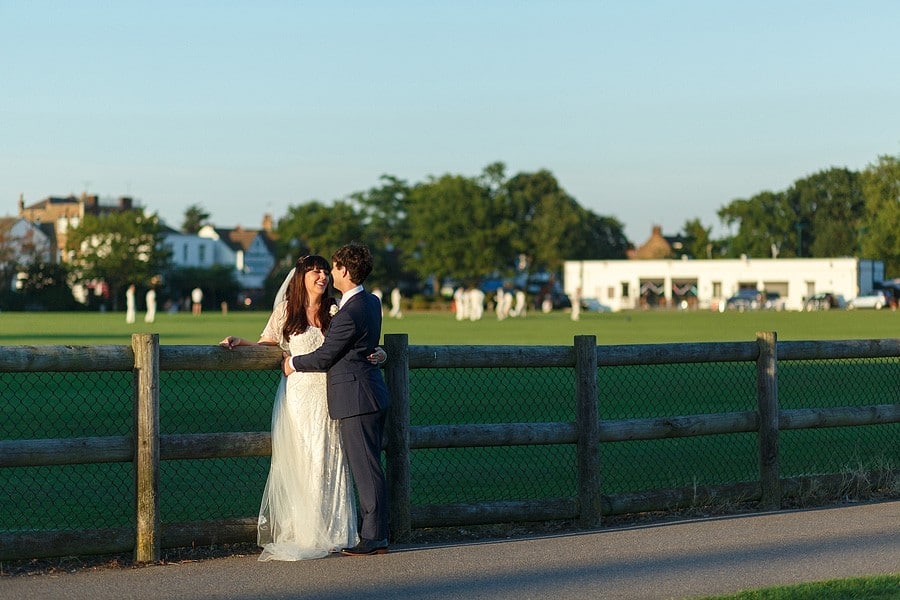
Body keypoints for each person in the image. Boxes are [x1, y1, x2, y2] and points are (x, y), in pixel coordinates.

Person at [220, 254, 385, 561]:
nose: (322, 276)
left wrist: (379, 353)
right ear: (301, 277)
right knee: (304, 458)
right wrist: (243, 344)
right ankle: (308, 530)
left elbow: (355, 342)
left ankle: (335, 530)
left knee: (330, 457)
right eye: (315, 272)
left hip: (331, 393)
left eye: (325, 270)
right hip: (299, 396)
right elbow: (269, 342)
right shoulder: (286, 311)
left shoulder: (336, 308)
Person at [283, 243, 391, 556]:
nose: (330, 273)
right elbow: (362, 345)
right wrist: (378, 352)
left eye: (333, 267)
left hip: (356, 397)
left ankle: (373, 538)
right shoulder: (371, 302)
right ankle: (375, 533)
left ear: (344, 271)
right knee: (369, 467)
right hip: (368, 391)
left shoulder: (350, 310)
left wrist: (293, 363)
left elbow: (326, 355)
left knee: (366, 470)